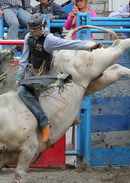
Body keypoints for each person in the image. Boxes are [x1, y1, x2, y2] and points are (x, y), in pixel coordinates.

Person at [16, 13, 101, 145]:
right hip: (31, 73)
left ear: (43, 27)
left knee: (22, 91)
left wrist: (88, 47)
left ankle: (44, 122)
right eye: (32, 29)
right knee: (8, 89)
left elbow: (68, 44)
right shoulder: (28, 37)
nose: (34, 31)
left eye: (37, 29)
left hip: (45, 75)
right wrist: (18, 76)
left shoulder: (49, 39)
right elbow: (24, 58)